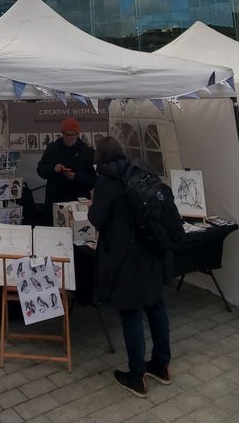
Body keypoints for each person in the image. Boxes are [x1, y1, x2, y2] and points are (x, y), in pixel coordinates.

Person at [88, 136, 171, 399]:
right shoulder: (139, 171)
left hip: (124, 257)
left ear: (100, 157)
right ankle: (161, 364)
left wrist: (92, 204)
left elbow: (98, 220)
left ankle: (136, 375)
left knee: (130, 312)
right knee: (156, 305)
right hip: (150, 250)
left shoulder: (106, 182)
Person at [37, 117, 96, 211]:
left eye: (72, 135)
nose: (69, 138)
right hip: (56, 200)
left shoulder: (87, 151)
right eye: (67, 135)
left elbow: (93, 179)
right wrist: (53, 169)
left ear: (77, 134)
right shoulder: (52, 149)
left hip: (79, 200)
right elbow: (40, 170)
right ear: (62, 133)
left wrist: (76, 177)